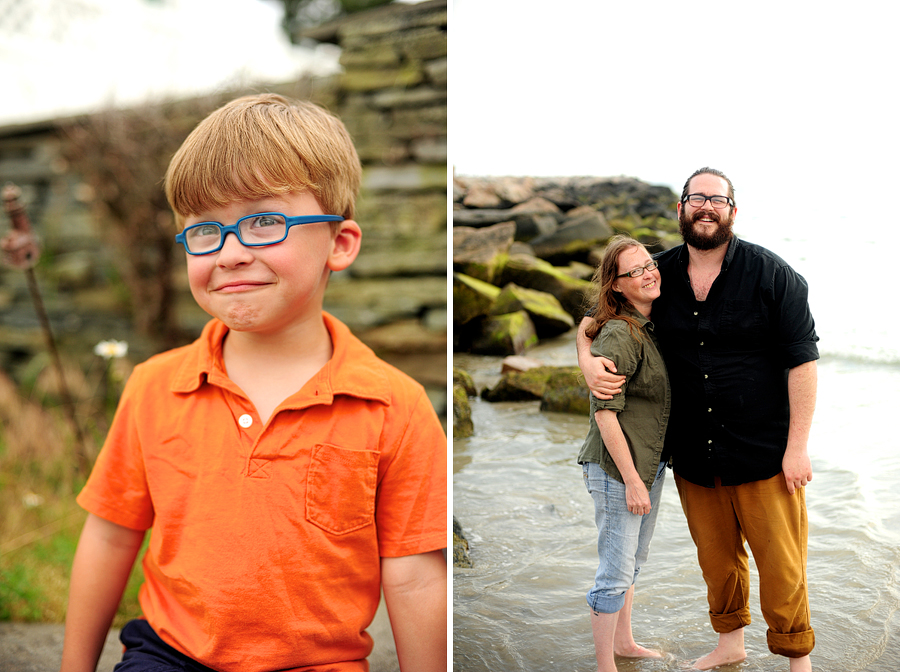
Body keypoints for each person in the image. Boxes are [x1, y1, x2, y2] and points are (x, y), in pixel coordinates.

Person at [59, 94, 447, 672]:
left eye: (264, 222)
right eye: (205, 230)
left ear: (338, 244)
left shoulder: (395, 406)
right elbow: (111, 537)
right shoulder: (153, 387)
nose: (232, 253)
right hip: (170, 655)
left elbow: (415, 577)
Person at [576, 167, 818, 672]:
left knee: (782, 564)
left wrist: (798, 447)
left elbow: (803, 362)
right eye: (696, 198)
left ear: (733, 210)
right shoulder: (658, 274)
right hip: (692, 454)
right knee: (717, 561)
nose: (706, 206)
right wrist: (585, 360)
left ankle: (799, 662)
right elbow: (598, 317)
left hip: (763, 451)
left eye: (717, 199)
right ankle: (730, 646)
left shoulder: (774, 275)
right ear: (680, 208)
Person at [577, 235, 670, 672]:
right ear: (616, 284)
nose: (648, 273)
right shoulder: (619, 333)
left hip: (648, 464)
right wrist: (633, 481)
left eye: (649, 263)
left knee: (633, 563)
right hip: (618, 469)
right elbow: (604, 415)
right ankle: (604, 666)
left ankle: (625, 643)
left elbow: (584, 328)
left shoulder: (651, 321)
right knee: (614, 572)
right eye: (634, 271)